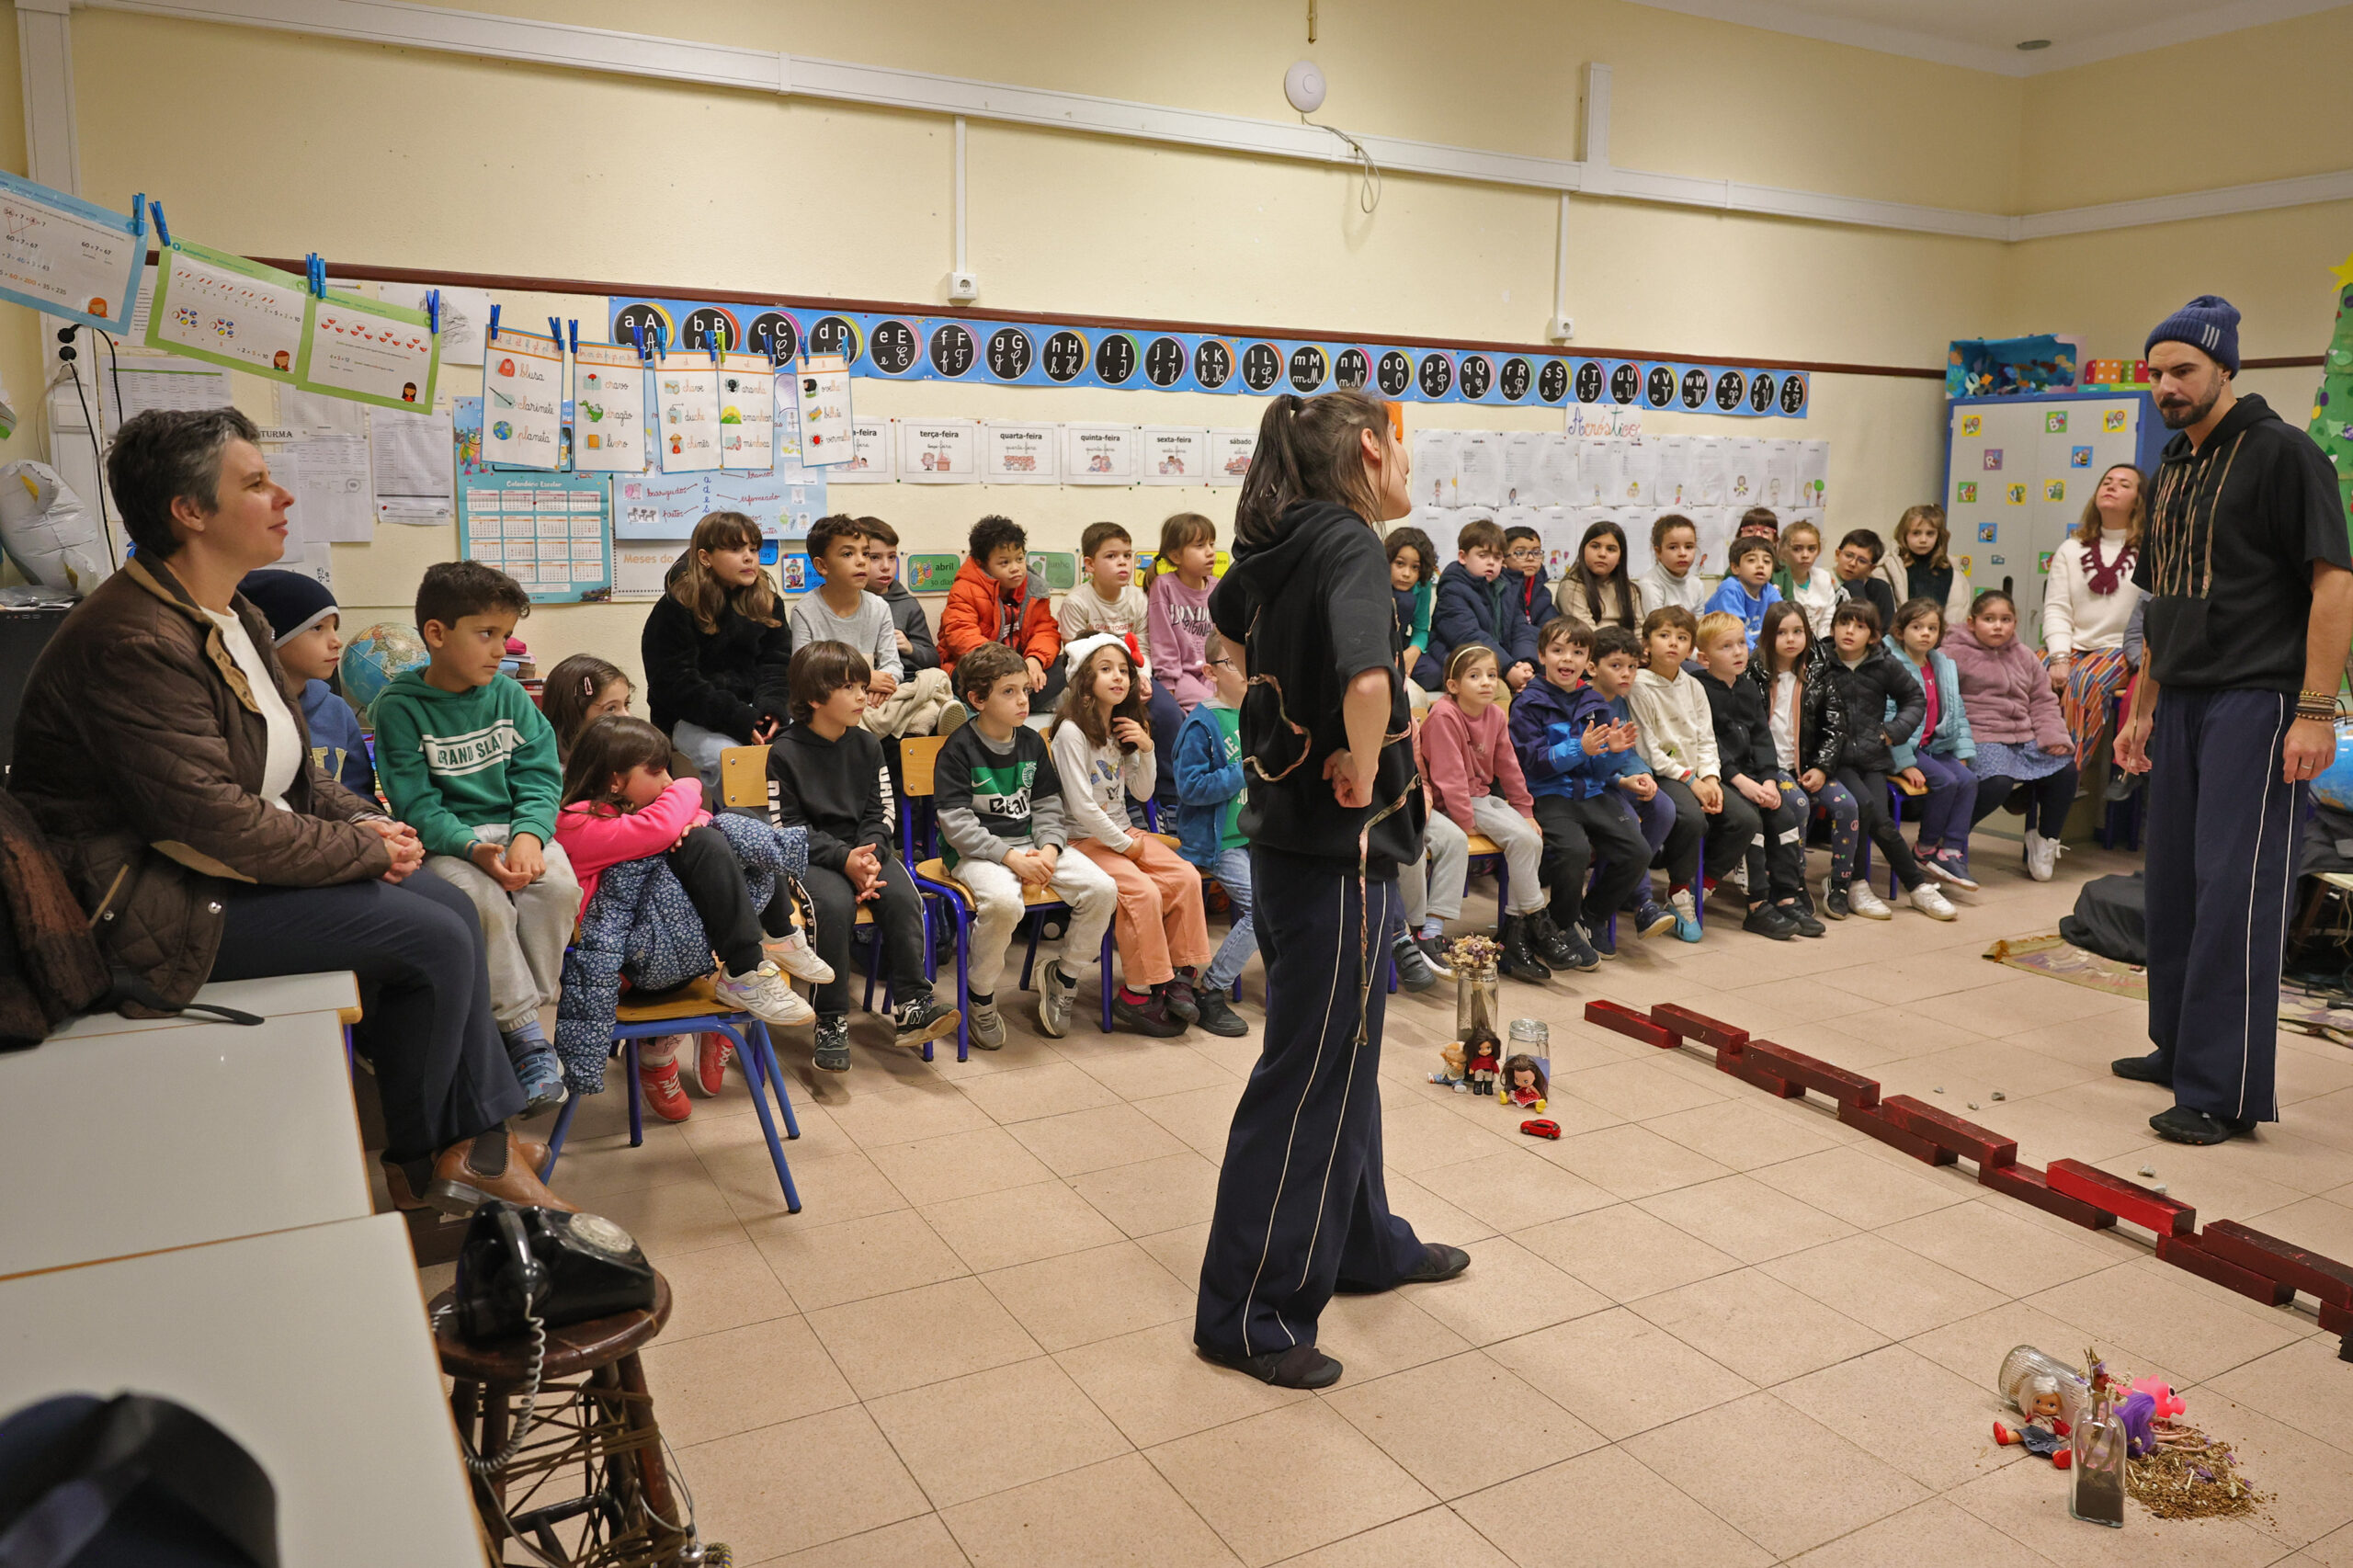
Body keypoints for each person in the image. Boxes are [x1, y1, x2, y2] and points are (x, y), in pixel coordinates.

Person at [12, 407, 571, 1214]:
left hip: (209, 867)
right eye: (255, 483)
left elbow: (292, 778)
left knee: (447, 903)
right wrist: (366, 853)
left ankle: (463, 1141)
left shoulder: (236, 616)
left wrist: (367, 821)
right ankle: (436, 1157)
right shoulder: (130, 639)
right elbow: (214, 826)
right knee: (432, 933)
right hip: (149, 903)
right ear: (190, 511)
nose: (283, 498)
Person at [1197, 389, 1466, 1392]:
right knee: (1307, 1076)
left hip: (1285, 845)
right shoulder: (1351, 544)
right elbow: (1368, 684)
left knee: (1343, 1055)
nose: (1408, 469)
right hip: (1335, 854)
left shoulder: (1273, 540)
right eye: (1401, 449)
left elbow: (1228, 636)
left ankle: (1363, 1243)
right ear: (1366, 449)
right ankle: (1246, 1314)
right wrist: (1357, 764)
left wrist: (1266, 712)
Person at [2113, 296, 2353, 1145]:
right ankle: (2179, 1048)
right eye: (2156, 373)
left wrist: (2314, 712)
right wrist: (2143, 705)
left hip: (2257, 700)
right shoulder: (2174, 465)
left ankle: (2221, 1089)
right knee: (2173, 880)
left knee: (2235, 892)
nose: (2167, 386)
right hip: (2180, 697)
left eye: (2182, 370)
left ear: (2226, 368)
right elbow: (2166, 599)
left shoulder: (2285, 454)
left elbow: (2335, 583)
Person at [372, 561, 580, 1114]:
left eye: (505, 636)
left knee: (557, 887)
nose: (499, 649)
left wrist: (531, 837)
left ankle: (527, 1025)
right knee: (479, 898)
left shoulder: (510, 695)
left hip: (514, 830)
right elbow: (416, 803)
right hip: (450, 842)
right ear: (436, 634)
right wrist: (473, 849)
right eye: (486, 634)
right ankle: (523, 1034)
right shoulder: (399, 708)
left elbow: (540, 776)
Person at [554, 716, 821, 1119]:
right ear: (613, 780)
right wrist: (689, 795)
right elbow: (662, 824)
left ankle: (763, 952)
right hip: (633, 965)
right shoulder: (574, 823)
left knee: (740, 829)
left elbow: (667, 825)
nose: (666, 781)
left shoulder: (642, 808)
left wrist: (694, 820)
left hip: (674, 943)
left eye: (668, 770)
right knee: (717, 834)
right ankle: (677, 1037)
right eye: (656, 770)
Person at [767, 641, 960, 1071]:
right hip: (813, 857)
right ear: (815, 699)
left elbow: (881, 809)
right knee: (833, 907)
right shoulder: (784, 752)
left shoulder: (867, 744)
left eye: (862, 685)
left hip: (866, 848)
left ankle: (912, 1004)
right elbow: (788, 828)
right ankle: (831, 1020)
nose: (862, 696)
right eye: (850, 687)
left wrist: (868, 855)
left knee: (905, 897)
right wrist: (843, 858)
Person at [932, 642, 1119, 1045]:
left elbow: (1049, 805)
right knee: (1003, 904)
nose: (1022, 700)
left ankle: (1063, 975)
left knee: (1103, 889)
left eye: (1024, 690)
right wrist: (1012, 858)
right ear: (977, 699)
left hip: (1033, 846)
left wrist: (1050, 849)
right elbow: (956, 825)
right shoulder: (958, 750)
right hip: (976, 853)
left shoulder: (1033, 742)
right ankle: (980, 995)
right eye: (1009, 692)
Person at [1052, 634, 1212, 1037]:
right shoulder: (1071, 732)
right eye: (1106, 669)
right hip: (1083, 839)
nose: (1119, 678)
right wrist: (1127, 846)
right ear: (1084, 679)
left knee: (1186, 877)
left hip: (1124, 831)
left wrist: (1146, 748)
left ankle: (1179, 975)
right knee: (1143, 892)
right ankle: (1138, 994)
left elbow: (1142, 793)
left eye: (1124, 670)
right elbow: (1084, 807)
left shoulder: (1123, 726)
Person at [1510, 617, 1646, 966]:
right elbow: (1531, 764)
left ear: (1588, 662)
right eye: (1558, 651)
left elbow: (1600, 770)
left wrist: (1611, 753)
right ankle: (1560, 926)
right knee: (1573, 850)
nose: (1567, 659)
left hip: (1590, 791)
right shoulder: (1528, 703)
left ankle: (1592, 913)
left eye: (1577, 652)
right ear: (1542, 655)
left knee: (1636, 850)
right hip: (1547, 793)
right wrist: (1579, 749)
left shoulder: (1595, 702)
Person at [1813, 601, 1956, 922]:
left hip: (1872, 757)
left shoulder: (1882, 662)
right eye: (1843, 623)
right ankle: (1865, 883)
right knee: (1865, 807)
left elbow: (1914, 699)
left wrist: (1894, 731)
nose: (1850, 631)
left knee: (1880, 819)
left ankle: (1908, 888)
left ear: (1874, 635)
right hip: (1834, 760)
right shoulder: (1819, 662)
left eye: (1860, 626)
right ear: (1832, 627)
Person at [1422, 644, 1552, 981]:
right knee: (1523, 842)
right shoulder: (1443, 715)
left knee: (1531, 839)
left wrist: (1525, 810)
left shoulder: (1495, 714)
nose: (1487, 683)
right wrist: (1465, 826)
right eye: (1474, 675)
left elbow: (1509, 766)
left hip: (1481, 797)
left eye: (1492, 675)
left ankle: (1516, 927)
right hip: (1452, 804)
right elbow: (1449, 781)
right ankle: (1536, 919)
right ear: (1452, 685)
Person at [642, 510, 793, 790]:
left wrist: (771, 710)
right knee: (734, 763)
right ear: (705, 557)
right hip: (692, 718)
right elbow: (675, 684)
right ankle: (752, 832)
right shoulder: (675, 608)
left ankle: (804, 829)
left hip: (755, 712)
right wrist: (737, 718)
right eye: (736, 549)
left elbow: (778, 665)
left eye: (753, 549)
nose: (749, 557)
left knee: (805, 749)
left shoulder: (768, 602)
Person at [1692, 611, 1814, 937]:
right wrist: (1742, 782)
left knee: (1785, 817)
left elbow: (1762, 736)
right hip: (1721, 777)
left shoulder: (1747, 686)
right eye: (1726, 647)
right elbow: (1710, 744)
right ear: (1704, 658)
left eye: (1741, 644)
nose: (1738, 652)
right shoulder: (1699, 690)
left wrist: (1770, 779)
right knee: (1754, 824)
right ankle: (1757, 905)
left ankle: (1786, 896)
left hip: (1754, 777)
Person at [1945, 590, 2078, 881]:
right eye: (1989, 619)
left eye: (2005, 620)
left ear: (2015, 623)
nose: (1997, 626)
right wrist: (1957, 744)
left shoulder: (2025, 656)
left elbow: (2043, 701)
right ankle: (1950, 837)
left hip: (2023, 735)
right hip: (1979, 734)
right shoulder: (1953, 654)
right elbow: (1945, 703)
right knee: (1997, 782)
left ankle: (2044, 839)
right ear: (1971, 623)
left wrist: (2053, 737)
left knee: (2066, 770)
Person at [1172, 630, 1256, 1037]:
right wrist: (1246, 770)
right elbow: (1190, 789)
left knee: (1301, 891)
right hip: (1219, 840)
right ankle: (1212, 988)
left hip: (1259, 836)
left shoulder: (1259, 712)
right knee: (1262, 908)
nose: (1245, 669)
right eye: (1233, 663)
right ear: (1210, 672)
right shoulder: (1201, 724)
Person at [1063, 520, 1182, 804]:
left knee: (1168, 714)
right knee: (1101, 724)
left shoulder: (1138, 599)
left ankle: (1168, 799)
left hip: (1131, 677)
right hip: (1092, 684)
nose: (1123, 563)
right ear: (1090, 564)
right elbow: (1075, 658)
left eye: (1127, 555)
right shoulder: (1076, 602)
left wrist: (1141, 676)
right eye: (1111, 556)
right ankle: (1120, 798)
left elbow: (1142, 646)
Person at [1586, 624, 1689, 942]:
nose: (1626, 674)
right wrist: (1623, 779)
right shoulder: (1586, 703)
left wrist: (1642, 774)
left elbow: (1630, 748)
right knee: (1627, 822)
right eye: (1616, 666)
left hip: (1621, 780)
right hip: (1593, 786)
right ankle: (1640, 900)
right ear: (1593, 666)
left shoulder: (1622, 699)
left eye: (1632, 667)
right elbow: (1589, 764)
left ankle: (1611, 890)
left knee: (1664, 808)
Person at [2044, 464, 2147, 769]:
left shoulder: (2150, 550)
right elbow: (2057, 608)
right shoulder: (2071, 548)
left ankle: (2064, 773)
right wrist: (2060, 656)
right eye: (2107, 481)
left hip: (2119, 650)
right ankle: (2021, 766)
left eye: (2124, 484)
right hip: (2074, 647)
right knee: (2029, 670)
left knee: (2084, 680)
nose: (2111, 487)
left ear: (2139, 499)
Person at [237, 568, 373, 796]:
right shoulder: (240, 713)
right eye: (317, 628)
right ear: (270, 638)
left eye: (334, 628)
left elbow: (360, 795)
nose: (336, 642)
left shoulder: (336, 710)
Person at [1749, 600, 1844, 926]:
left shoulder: (1818, 671)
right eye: (1781, 633)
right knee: (1799, 805)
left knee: (1847, 805)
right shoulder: (1755, 673)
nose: (1790, 639)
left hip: (1808, 766)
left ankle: (1842, 884)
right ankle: (1792, 881)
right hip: (1770, 768)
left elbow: (1835, 725)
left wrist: (1822, 766)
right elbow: (1749, 731)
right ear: (1767, 637)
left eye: (1797, 632)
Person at [1885, 597, 1979, 890]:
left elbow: (1957, 712)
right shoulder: (1891, 665)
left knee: (1968, 779)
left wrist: (1963, 751)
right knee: (1947, 782)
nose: (1926, 633)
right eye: (1917, 627)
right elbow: (1886, 719)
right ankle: (1924, 850)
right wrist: (1904, 764)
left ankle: (1951, 851)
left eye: (1932, 628)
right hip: (1903, 749)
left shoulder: (1942, 665)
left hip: (1931, 746)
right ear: (1900, 631)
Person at [940, 514, 1063, 696]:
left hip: (1022, 666)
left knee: (1069, 665)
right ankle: (1017, 698)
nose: (1015, 568)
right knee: (964, 676)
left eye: (1019, 559)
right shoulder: (965, 588)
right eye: (1005, 562)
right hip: (986, 667)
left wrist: (1035, 659)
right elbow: (960, 633)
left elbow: (1045, 630)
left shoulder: (1034, 588)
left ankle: (1017, 697)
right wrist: (1006, 666)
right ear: (982, 564)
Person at [788, 515, 899, 699]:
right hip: (829, 701)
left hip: (870, 697)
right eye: (848, 554)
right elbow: (804, 674)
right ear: (822, 565)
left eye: (865, 553)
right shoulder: (805, 612)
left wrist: (878, 691)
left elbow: (893, 665)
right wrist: (863, 679)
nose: (862, 561)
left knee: (933, 678)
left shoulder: (879, 607)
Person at [1427, 517, 1536, 693]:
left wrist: (1524, 664)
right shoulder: (1452, 589)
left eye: (1497, 557)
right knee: (1499, 692)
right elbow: (1468, 635)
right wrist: (1508, 668)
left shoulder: (1507, 587)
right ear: (1463, 557)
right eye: (1483, 555)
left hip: (1500, 662)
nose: (1491, 562)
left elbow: (1520, 628)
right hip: (1462, 662)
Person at [1147, 511, 1220, 719]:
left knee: (1234, 703)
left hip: (1212, 672)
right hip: (1182, 676)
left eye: (1212, 544)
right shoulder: (1164, 586)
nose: (1210, 553)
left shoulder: (1217, 587)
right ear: (1176, 555)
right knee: (1213, 708)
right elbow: (1163, 641)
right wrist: (1168, 685)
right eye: (1200, 546)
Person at [857, 517, 939, 673]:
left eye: (892, 557)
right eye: (875, 557)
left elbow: (933, 659)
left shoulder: (907, 604)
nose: (886, 566)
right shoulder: (846, 602)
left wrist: (910, 648)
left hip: (905, 681)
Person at [1874, 505, 1973, 625]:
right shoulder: (1888, 567)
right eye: (1916, 533)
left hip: (1941, 639)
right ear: (1904, 534)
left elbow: (1957, 615)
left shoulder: (1952, 570)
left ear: (1939, 536)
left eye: (1930, 534)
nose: (1923, 540)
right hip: (1899, 639)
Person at [1552, 517, 1640, 634]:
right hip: (1591, 648)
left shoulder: (1630, 589)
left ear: (1620, 558)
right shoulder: (1570, 587)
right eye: (1595, 546)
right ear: (1583, 550)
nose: (1602, 554)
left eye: (1611, 549)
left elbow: (1639, 629)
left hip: (1626, 649)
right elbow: (1587, 632)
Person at [541, 653, 635, 762]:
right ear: (574, 714)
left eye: (626, 704)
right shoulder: (551, 771)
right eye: (611, 708)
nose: (627, 716)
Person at [1704, 537, 1784, 648]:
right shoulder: (1730, 590)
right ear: (1735, 568)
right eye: (1751, 560)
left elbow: (1784, 618)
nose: (1761, 565)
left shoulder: (1769, 590)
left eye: (1767, 561)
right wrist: (1759, 657)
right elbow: (1735, 633)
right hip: (1721, 648)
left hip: (1750, 651)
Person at [1385, 524, 1438, 689]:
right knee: (1404, 600)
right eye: (1400, 564)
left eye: (1415, 567)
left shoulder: (1422, 585)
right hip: (1379, 645)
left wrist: (1414, 651)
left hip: (1401, 645)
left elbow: (1421, 628)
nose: (1407, 574)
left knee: (1433, 674)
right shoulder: (1375, 580)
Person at [1771, 519, 1839, 639]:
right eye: (1797, 549)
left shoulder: (1823, 577)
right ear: (1783, 549)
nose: (1805, 555)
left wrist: (1823, 646)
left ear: (1819, 550)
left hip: (1818, 643)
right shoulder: (1777, 579)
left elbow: (1827, 619)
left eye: (1812, 549)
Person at [1635, 513, 1709, 619]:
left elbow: (1698, 626)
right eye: (1673, 547)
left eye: (1689, 547)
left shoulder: (1697, 584)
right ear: (1658, 552)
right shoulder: (1649, 584)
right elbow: (1658, 627)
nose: (1682, 553)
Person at [1502, 523, 1560, 648]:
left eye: (1536, 552)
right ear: (1502, 558)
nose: (1531, 558)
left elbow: (1552, 629)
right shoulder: (1500, 589)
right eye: (1520, 553)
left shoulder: (1542, 592)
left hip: (1536, 648)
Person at [1833, 528, 1898, 630]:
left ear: (1871, 568)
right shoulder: (1822, 578)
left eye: (1862, 561)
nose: (1852, 564)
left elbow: (1887, 630)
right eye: (1848, 555)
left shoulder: (1879, 589)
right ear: (1837, 554)